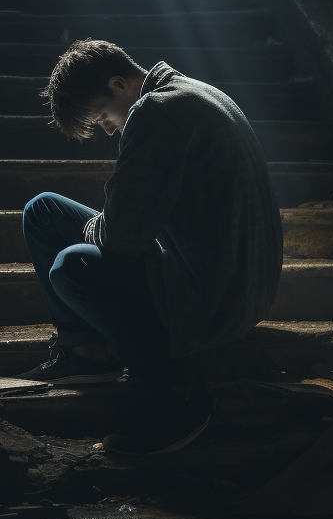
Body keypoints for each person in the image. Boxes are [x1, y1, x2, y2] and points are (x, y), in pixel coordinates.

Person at [19, 39, 283, 454]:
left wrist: (100, 228)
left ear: (119, 83)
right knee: (43, 211)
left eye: (104, 115)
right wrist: (107, 223)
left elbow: (125, 236)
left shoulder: (156, 111)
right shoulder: (194, 91)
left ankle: (172, 399)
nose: (107, 129)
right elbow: (132, 219)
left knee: (73, 268)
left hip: (215, 299)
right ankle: (86, 356)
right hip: (235, 281)